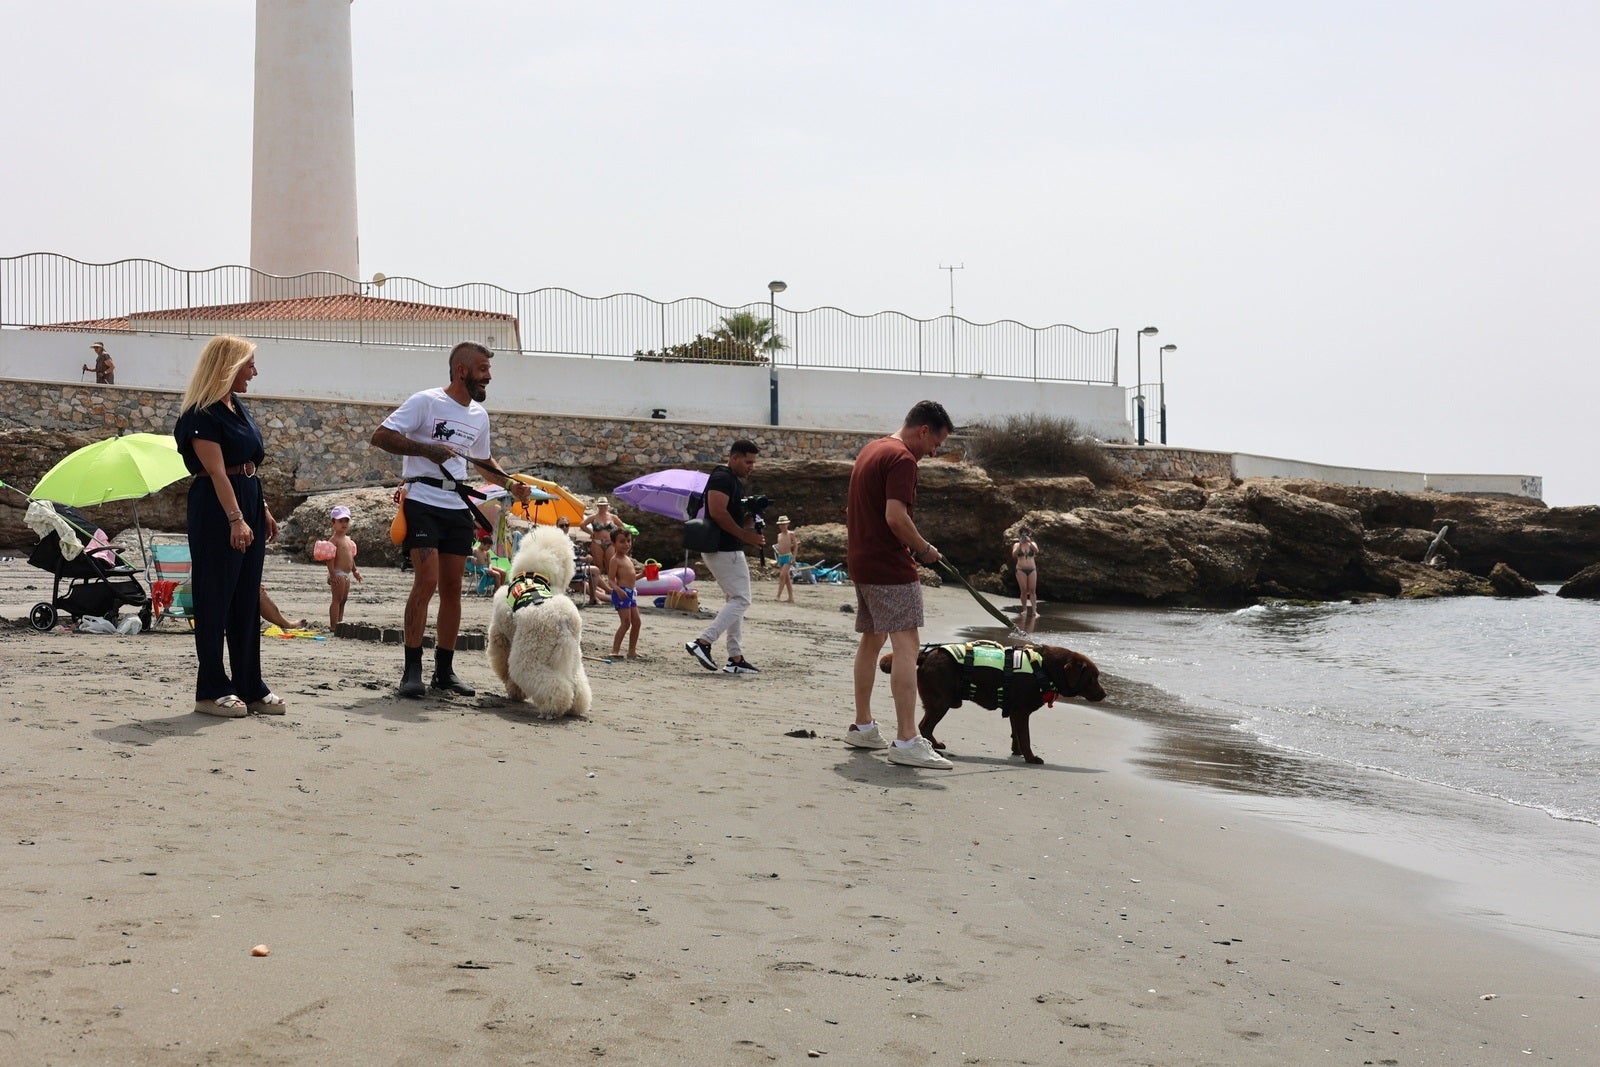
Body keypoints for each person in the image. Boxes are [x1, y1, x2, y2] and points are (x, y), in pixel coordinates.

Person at [370, 341, 531, 698]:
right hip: (422, 500)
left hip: (456, 505)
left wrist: (511, 484)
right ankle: (412, 671)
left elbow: (483, 463)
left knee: (454, 589)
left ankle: (444, 671)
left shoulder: (479, 416)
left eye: (489, 371)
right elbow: (380, 436)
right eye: (482, 370)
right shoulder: (426, 401)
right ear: (462, 371)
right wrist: (427, 449)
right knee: (426, 582)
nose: (488, 377)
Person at [173, 335, 284, 717]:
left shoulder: (236, 406)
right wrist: (236, 518)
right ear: (228, 366)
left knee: (245, 597)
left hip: (249, 498)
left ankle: (250, 685)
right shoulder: (200, 414)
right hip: (218, 508)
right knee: (216, 596)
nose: (255, 372)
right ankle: (212, 689)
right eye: (249, 364)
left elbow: (247, 465)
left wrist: (261, 509)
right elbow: (218, 472)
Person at [844, 400, 955, 768]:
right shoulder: (903, 459)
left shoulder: (872, 449)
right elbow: (896, 516)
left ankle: (862, 727)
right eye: (935, 444)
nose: (934, 452)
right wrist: (923, 549)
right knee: (907, 646)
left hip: (862, 561)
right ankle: (908, 739)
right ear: (923, 430)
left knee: (872, 640)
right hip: (889, 566)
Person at [684, 439, 763, 675]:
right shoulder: (722, 477)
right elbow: (717, 512)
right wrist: (744, 536)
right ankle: (703, 642)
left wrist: (751, 518)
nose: (751, 466)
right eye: (748, 461)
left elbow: (731, 515)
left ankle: (735, 658)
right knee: (742, 600)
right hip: (723, 549)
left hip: (726, 548)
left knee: (735, 600)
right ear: (735, 457)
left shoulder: (733, 482)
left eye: (754, 462)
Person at [325, 504, 363, 627]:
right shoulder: (334, 540)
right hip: (338, 574)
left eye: (346, 521)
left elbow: (351, 557)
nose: (344, 524)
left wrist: (355, 571)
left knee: (343, 600)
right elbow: (329, 558)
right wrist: (332, 573)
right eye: (340, 521)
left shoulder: (348, 540)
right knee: (336, 599)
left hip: (346, 575)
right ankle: (333, 625)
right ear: (333, 522)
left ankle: (340, 622)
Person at [607, 528, 643, 659]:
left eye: (628, 541)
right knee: (626, 622)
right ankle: (615, 651)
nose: (626, 544)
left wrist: (642, 575)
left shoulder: (628, 559)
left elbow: (632, 579)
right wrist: (618, 589)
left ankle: (632, 651)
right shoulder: (615, 560)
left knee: (637, 622)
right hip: (621, 593)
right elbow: (610, 580)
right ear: (613, 544)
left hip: (630, 593)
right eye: (622, 542)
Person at [580, 498, 617, 605]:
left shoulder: (612, 517)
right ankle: (599, 589)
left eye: (604, 505)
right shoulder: (593, 517)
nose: (603, 507)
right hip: (597, 542)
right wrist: (590, 533)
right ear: (598, 506)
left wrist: (615, 536)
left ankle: (610, 587)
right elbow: (582, 525)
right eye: (601, 505)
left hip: (610, 543)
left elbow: (621, 526)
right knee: (599, 567)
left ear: (607, 506)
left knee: (611, 566)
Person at [1012, 528, 1039, 615]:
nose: (1024, 536)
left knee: (1032, 590)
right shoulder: (1017, 544)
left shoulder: (1032, 544)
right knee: (1023, 590)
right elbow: (1014, 554)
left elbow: (1037, 551)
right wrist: (1020, 544)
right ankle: (1024, 610)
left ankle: (1034, 611)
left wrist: (1029, 542)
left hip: (1032, 569)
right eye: (1022, 534)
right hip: (1020, 569)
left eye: (1026, 534)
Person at [773, 515, 798, 602]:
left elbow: (795, 546)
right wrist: (778, 560)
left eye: (784, 524)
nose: (782, 526)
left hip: (788, 556)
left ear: (787, 524)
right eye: (781, 524)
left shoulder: (791, 534)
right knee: (786, 578)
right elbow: (779, 547)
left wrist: (794, 557)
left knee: (782, 575)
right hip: (781, 557)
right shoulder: (779, 535)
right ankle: (791, 597)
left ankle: (778, 596)